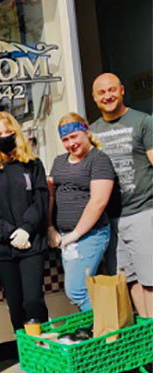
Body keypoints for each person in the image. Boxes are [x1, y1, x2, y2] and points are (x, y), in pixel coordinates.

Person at [0, 112, 49, 373]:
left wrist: (26, 229)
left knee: (33, 300)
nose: (4, 136)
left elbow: (41, 201)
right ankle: (27, 355)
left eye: (9, 131)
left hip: (32, 242)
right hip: (3, 248)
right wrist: (9, 234)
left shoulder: (32, 164)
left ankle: (43, 349)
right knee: (16, 303)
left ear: (16, 133)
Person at [90, 73, 153, 317]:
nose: (108, 96)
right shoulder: (92, 132)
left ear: (122, 90)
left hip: (143, 211)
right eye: (102, 92)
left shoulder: (143, 122)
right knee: (130, 281)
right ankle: (148, 336)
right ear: (94, 98)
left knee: (150, 280)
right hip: (110, 219)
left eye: (112, 90)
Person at [48, 113, 115, 311]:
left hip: (90, 235)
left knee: (76, 290)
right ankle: (99, 332)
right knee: (82, 289)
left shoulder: (98, 160)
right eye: (65, 139)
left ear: (86, 132)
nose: (71, 143)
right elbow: (51, 196)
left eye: (74, 136)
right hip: (66, 237)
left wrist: (76, 234)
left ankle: (106, 335)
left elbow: (98, 202)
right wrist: (50, 227)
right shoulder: (59, 162)